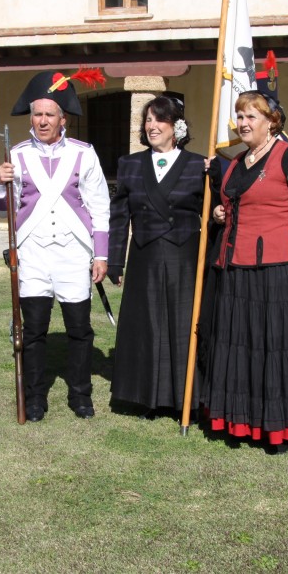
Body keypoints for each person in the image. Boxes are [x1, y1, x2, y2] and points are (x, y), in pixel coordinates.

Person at [201, 87, 288, 451]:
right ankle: (245, 420)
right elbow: (234, 205)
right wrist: (221, 213)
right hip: (238, 270)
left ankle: (285, 426)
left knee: (278, 347)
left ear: (271, 121)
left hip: (283, 272)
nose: (243, 123)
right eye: (240, 116)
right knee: (245, 347)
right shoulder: (234, 162)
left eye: (251, 117)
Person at [0, 68, 109, 422]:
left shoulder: (84, 154)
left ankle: (80, 395)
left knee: (79, 330)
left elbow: (100, 205)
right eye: (37, 114)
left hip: (73, 253)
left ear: (63, 120)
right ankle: (36, 397)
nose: (42, 121)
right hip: (33, 253)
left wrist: (100, 253)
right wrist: (0, 183)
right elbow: (3, 209)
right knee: (34, 331)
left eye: (49, 115)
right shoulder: (17, 154)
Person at [106, 95, 206, 417]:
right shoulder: (130, 165)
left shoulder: (199, 165)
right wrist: (115, 260)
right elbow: (119, 217)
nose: (151, 126)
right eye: (147, 120)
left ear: (176, 126)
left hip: (185, 257)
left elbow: (216, 211)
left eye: (159, 120)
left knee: (181, 326)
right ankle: (146, 398)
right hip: (144, 257)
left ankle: (184, 399)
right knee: (147, 325)